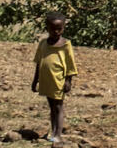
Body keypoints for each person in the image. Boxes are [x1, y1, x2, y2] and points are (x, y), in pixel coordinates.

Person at [31, 12, 79, 144]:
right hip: (46, 80)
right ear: (47, 28)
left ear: (64, 28)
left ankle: (58, 134)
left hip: (59, 80)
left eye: (60, 28)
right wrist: (35, 80)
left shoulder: (66, 44)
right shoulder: (43, 44)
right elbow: (39, 63)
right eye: (53, 29)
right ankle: (53, 131)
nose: (57, 31)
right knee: (51, 106)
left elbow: (70, 64)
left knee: (58, 107)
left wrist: (68, 81)